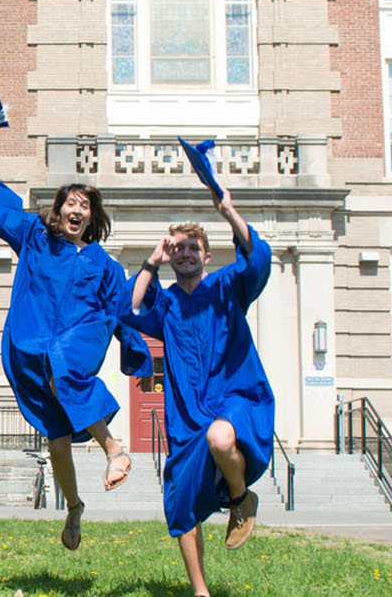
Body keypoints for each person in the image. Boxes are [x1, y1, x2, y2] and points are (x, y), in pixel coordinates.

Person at [0, 132, 150, 551]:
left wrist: (135, 348)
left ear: (92, 216)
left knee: (63, 362)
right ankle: (74, 509)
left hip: (78, 343)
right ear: (59, 208)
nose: (76, 210)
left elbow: (121, 310)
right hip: (34, 346)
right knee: (57, 443)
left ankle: (114, 449)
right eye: (71, 203)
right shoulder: (35, 237)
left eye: (85, 206)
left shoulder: (103, 264)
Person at [120, 190, 274, 597]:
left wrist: (227, 211)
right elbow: (128, 309)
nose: (185, 253)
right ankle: (200, 591)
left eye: (194, 248)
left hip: (234, 396)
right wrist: (152, 259)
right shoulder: (166, 303)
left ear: (207, 256)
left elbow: (258, 259)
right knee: (182, 504)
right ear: (171, 257)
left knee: (221, 438)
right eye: (178, 249)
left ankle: (240, 499)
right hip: (186, 416)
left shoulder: (226, 287)